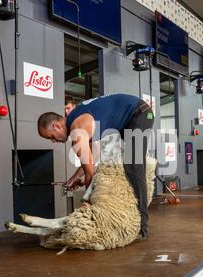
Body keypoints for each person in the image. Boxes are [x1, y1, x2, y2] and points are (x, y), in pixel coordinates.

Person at [37, 94, 155, 240]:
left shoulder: (77, 132)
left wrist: (90, 207)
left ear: (56, 125)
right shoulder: (76, 119)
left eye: (51, 137)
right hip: (131, 117)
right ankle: (129, 215)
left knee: (133, 167)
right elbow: (93, 158)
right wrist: (75, 177)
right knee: (121, 164)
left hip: (139, 112)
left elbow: (90, 174)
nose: (53, 141)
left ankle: (142, 227)